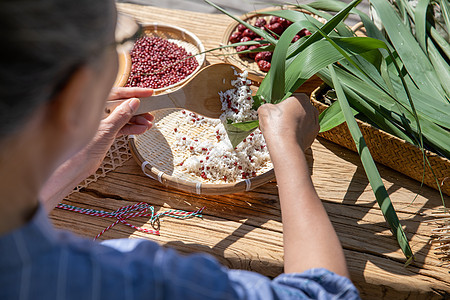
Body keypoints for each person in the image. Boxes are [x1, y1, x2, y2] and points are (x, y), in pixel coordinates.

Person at [0, 0, 360, 299]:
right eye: (120, 41)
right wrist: (287, 149)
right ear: (76, 92)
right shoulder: (130, 281)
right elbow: (322, 293)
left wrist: (73, 162)